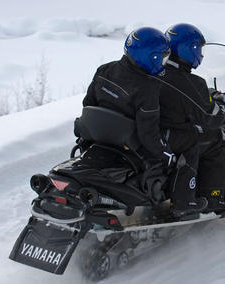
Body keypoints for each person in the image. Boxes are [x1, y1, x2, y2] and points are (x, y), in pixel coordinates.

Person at [82, 27, 205, 216]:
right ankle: (184, 201)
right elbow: (148, 133)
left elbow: (88, 103)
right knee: (191, 141)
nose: (164, 64)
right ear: (152, 57)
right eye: (163, 58)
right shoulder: (147, 87)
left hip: (100, 137)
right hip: (130, 143)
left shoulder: (105, 69)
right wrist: (166, 154)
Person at [156, 23, 225, 214]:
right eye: (199, 48)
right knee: (217, 139)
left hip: (153, 130)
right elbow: (213, 117)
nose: (201, 53)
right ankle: (213, 197)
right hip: (173, 135)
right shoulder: (191, 82)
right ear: (188, 48)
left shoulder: (154, 69)